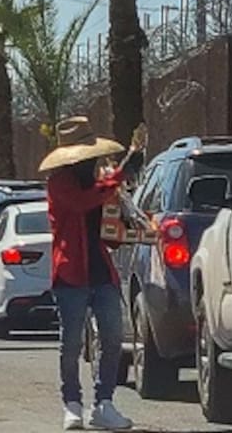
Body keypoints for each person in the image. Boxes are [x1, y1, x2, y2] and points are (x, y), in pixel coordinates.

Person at [41, 115, 148, 432]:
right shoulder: (59, 182)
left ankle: (104, 403)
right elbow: (81, 203)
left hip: (101, 271)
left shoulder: (101, 182)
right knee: (72, 343)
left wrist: (125, 175)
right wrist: (119, 175)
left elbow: (108, 227)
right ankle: (72, 404)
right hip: (70, 272)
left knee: (113, 337)